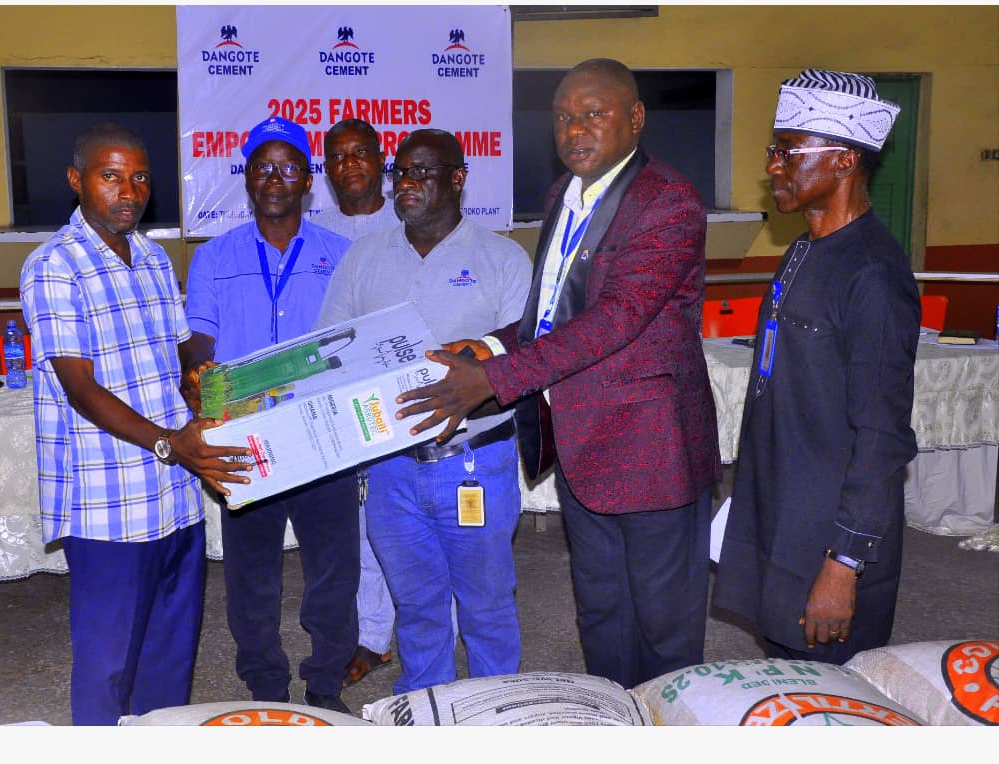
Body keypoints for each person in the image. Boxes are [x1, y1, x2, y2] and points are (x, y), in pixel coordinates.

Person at [394, 59, 721, 689]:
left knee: (664, 626)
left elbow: (617, 317)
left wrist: (496, 379)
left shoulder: (667, 200)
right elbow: (551, 311)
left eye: (594, 114)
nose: (575, 130)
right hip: (581, 439)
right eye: (565, 116)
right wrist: (490, 347)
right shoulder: (561, 197)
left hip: (651, 448)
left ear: (635, 118)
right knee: (601, 613)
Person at [19, 123, 252, 725]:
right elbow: (79, 386)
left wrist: (216, 402)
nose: (129, 191)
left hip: (175, 497)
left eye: (140, 177)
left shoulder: (152, 258)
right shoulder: (54, 266)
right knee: (108, 667)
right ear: (76, 181)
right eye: (111, 176)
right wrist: (171, 443)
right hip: (109, 505)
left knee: (169, 662)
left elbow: (179, 363)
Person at [712, 70, 920, 663]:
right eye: (773, 150)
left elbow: (881, 438)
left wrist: (844, 563)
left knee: (830, 694)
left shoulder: (873, 276)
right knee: (785, 680)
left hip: (829, 534)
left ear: (844, 160)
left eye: (788, 152)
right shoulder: (804, 249)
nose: (772, 166)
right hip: (783, 511)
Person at [316, 128, 533, 694]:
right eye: (400, 173)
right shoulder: (364, 258)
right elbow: (328, 351)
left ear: (457, 178)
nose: (405, 183)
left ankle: (493, 713)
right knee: (417, 606)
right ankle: (425, 710)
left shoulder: (503, 259)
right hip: (390, 468)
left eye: (421, 172)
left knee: (486, 605)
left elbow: (526, 359)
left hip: (475, 464)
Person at [181, 116, 360, 713]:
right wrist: (197, 376)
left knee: (334, 571)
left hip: (324, 436)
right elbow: (199, 339)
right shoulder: (214, 257)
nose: (274, 178)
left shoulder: (342, 254)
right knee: (251, 575)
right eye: (262, 167)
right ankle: (265, 685)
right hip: (245, 437)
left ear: (308, 180)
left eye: (288, 168)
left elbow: (354, 341)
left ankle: (326, 685)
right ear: (248, 179)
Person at [310, 118, 399, 686]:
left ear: (381, 159)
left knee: (407, 520)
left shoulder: (409, 220)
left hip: (401, 392)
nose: (350, 165)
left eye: (360, 152)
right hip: (339, 397)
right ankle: (373, 636)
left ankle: (428, 630)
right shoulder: (313, 231)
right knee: (358, 526)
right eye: (338, 156)